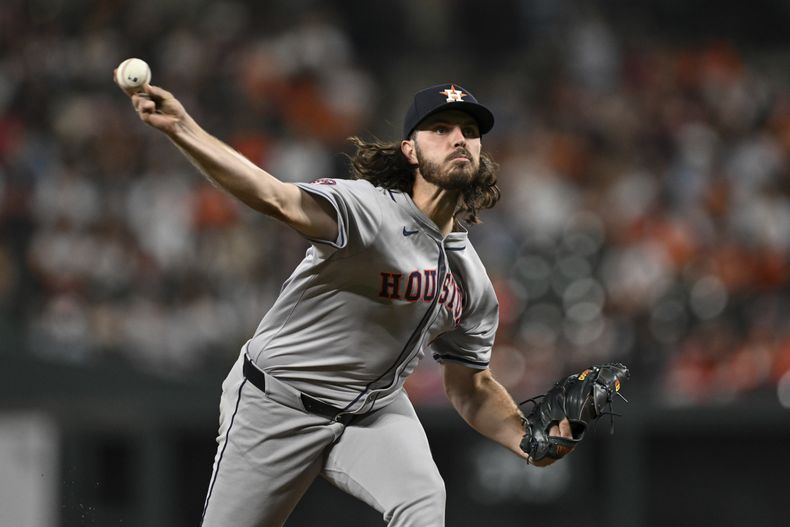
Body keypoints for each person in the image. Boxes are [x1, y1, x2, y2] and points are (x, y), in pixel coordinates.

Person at [117, 76, 576, 526]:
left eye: (470, 132)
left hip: (372, 413)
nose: (459, 139)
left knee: (423, 499)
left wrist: (528, 442)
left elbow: (470, 387)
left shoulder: (472, 280)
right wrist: (183, 129)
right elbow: (275, 198)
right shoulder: (367, 210)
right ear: (410, 151)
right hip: (276, 405)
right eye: (441, 129)